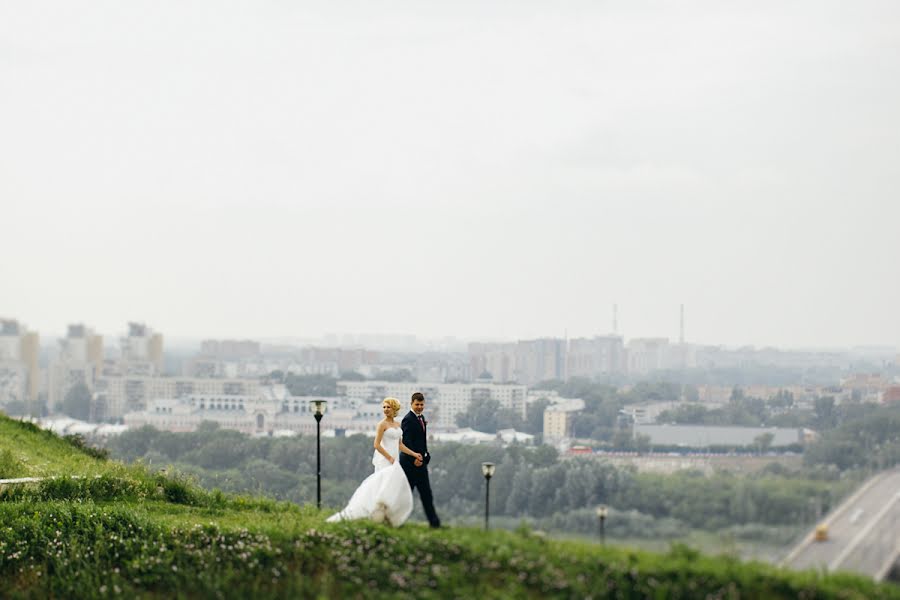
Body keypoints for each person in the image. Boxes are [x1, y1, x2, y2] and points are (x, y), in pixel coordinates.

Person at [326, 397, 422, 526]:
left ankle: (387, 515)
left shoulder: (398, 425)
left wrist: (414, 454)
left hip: (394, 459)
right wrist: (389, 457)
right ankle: (376, 514)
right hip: (384, 459)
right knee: (382, 486)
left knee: (392, 486)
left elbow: (400, 445)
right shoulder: (381, 424)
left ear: (394, 409)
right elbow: (376, 444)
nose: (385, 409)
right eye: (384, 407)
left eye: (388, 407)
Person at [399, 392, 441, 528]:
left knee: (426, 494)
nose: (419, 407)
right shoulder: (407, 419)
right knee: (406, 496)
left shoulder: (421, 418)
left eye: (421, 405)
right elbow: (407, 442)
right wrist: (414, 458)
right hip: (409, 464)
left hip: (421, 463)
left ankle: (435, 524)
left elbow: (422, 441)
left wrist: (425, 457)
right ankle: (397, 521)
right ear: (411, 404)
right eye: (417, 404)